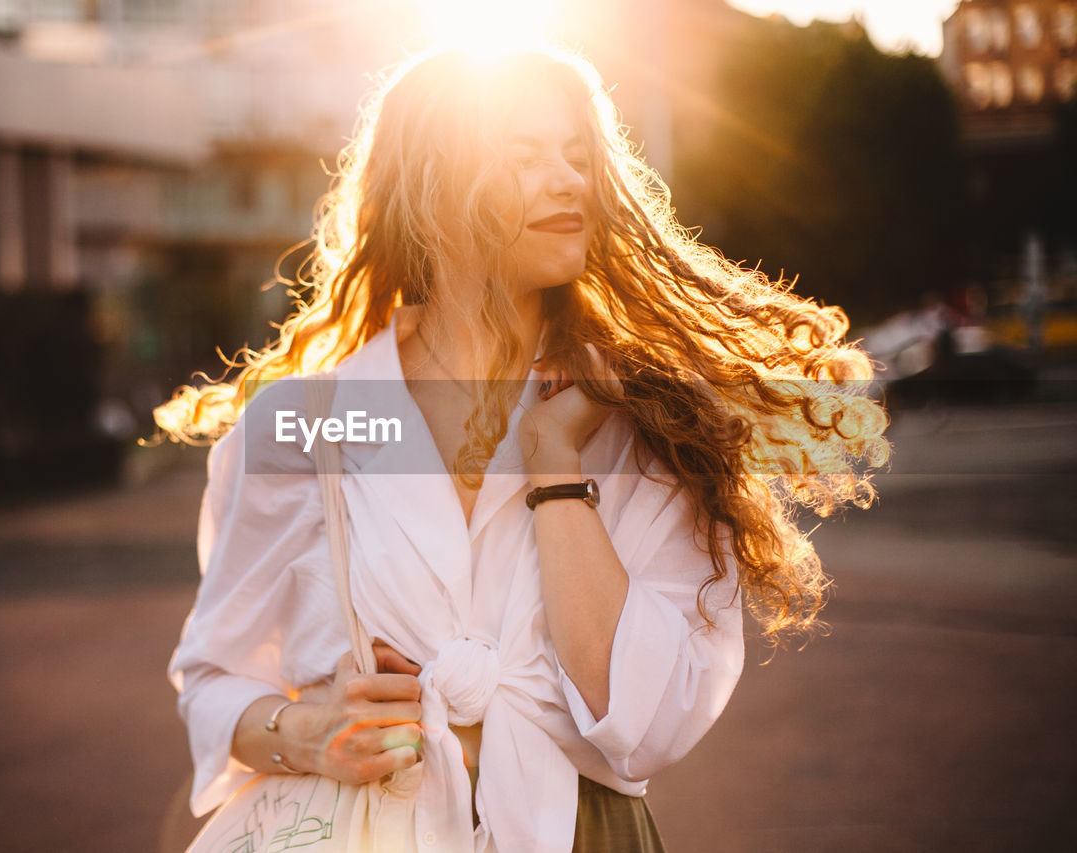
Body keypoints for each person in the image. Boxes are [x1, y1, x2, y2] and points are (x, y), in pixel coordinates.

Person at [160, 48, 888, 852]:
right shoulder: (304, 425)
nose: (569, 179)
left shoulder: (645, 419)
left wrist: (554, 464)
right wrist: (305, 731)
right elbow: (215, 678)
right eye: (525, 156)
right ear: (433, 186)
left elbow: (648, 727)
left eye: (578, 158)